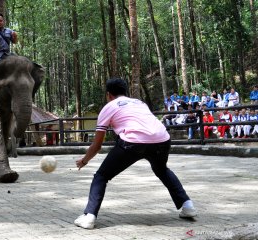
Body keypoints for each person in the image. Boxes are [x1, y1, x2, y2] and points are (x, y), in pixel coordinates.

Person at [74, 78, 197, 230]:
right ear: (126, 92)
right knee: (162, 170)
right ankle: (187, 205)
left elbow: (97, 144)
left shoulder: (109, 106)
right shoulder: (139, 103)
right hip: (162, 139)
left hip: (132, 142)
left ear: (108, 95)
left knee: (101, 176)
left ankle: (89, 216)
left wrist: (84, 160)